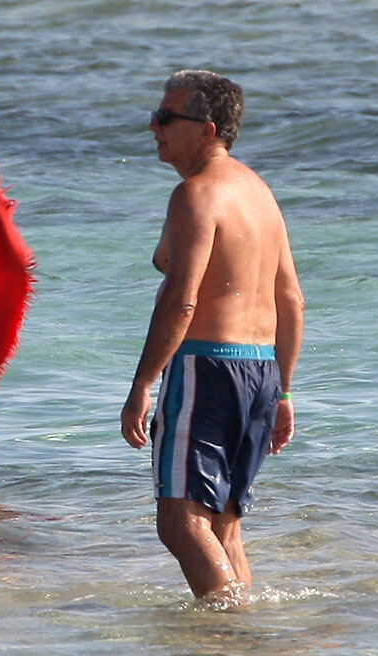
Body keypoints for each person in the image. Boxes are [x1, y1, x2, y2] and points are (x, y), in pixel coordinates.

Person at [120, 70, 304, 602]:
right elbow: (291, 300)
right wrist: (285, 391)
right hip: (261, 370)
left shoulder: (196, 195)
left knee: (179, 521)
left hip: (206, 368)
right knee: (223, 525)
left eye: (165, 117)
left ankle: (227, 631)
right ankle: (244, 629)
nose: (152, 125)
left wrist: (142, 385)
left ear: (207, 129)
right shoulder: (260, 193)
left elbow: (183, 298)